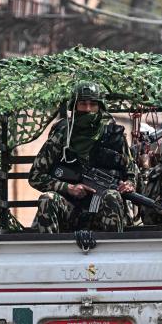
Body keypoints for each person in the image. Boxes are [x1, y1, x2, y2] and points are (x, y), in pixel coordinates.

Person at [28, 81, 137, 233]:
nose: (87, 109)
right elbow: (35, 176)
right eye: (82, 104)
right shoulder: (62, 135)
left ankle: (113, 251)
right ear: (74, 106)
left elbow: (132, 173)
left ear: (100, 106)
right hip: (71, 209)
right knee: (47, 199)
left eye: (93, 104)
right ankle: (51, 251)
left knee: (111, 195)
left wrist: (129, 184)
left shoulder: (114, 135)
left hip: (105, 212)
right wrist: (68, 188)